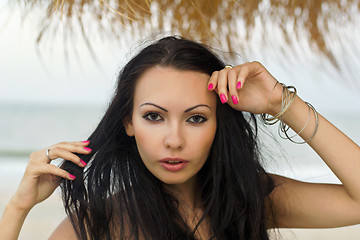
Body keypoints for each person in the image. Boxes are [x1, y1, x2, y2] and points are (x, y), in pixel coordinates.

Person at [1, 36, 360, 240]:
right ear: (128, 122)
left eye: (196, 118)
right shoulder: (96, 225)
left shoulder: (250, 200)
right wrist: (18, 207)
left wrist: (282, 103)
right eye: (154, 116)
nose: (174, 140)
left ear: (218, 123)